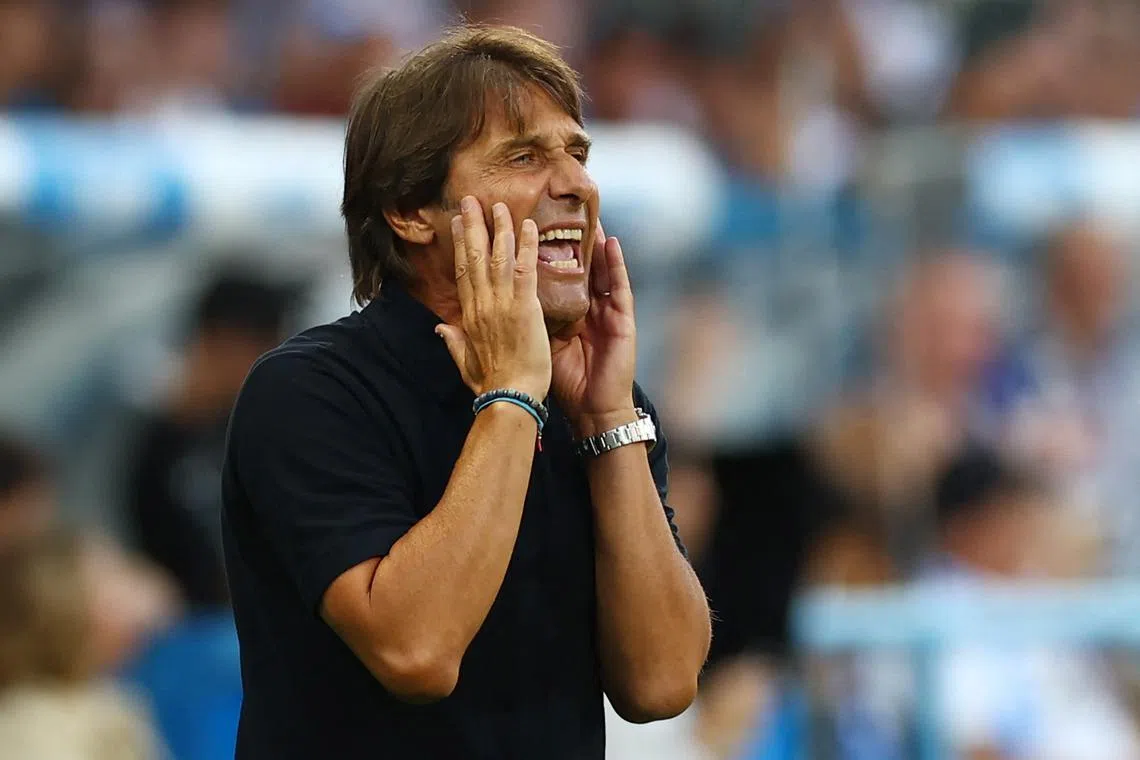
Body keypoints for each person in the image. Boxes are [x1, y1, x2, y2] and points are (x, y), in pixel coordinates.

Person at [221, 24, 711, 760]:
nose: (575, 184)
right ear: (412, 212)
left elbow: (663, 681)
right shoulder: (310, 392)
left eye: (577, 152)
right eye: (523, 156)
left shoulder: (602, 406)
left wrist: (610, 420)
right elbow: (416, 650)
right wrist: (512, 396)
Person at [125, 269, 298, 610]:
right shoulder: (150, 447)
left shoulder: (257, 429)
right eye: (265, 342)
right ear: (217, 340)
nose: (279, 355)